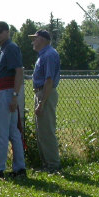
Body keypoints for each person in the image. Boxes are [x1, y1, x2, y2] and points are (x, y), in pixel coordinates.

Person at [0, 21, 26, 178]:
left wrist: (15, 96)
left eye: (0, 31)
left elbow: (19, 71)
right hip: (6, 92)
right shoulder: (5, 49)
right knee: (12, 131)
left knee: (0, 132)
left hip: (7, 92)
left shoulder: (10, 48)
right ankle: (19, 167)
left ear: (7, 32)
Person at [29, 29, 61, 172]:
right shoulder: (44, 55)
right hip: (41, 92)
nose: (33, 42)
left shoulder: (49, 55)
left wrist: (42, 103)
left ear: (42, 40)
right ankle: (46, 164)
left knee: (47, 131)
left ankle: (53, 165)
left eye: (35, 39)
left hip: (45, 93)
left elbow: (49, 80)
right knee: (41, 132)